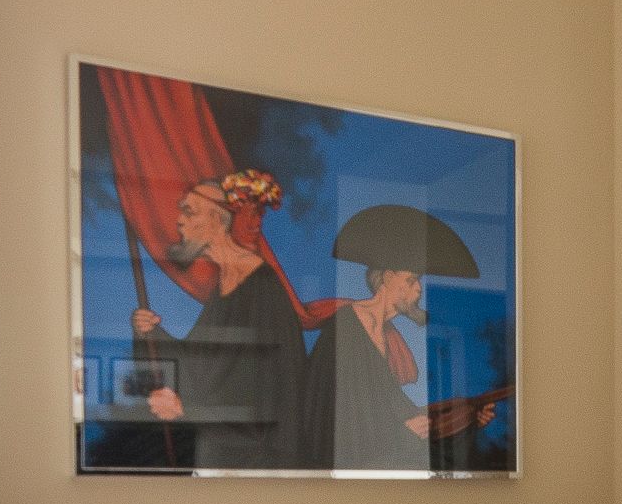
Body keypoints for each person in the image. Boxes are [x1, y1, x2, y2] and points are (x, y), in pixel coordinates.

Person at [129, 174, 309, 470]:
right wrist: (149, 333)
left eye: (189, 212)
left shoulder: (260, 286)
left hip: (252, 465)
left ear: (217, 220)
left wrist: (186, 408)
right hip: (220, 455)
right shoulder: (227, 281)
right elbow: (202, 364)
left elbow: (261, 389)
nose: (179, 221)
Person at [302, 202, 499, 473]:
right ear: (387, 277)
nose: (418, 290)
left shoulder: (385, 335)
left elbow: (399, 415)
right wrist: (402, 432)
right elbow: (345, 420)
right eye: (411, 280)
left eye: (418, 281)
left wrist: (469, 419)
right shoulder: (349, 326)